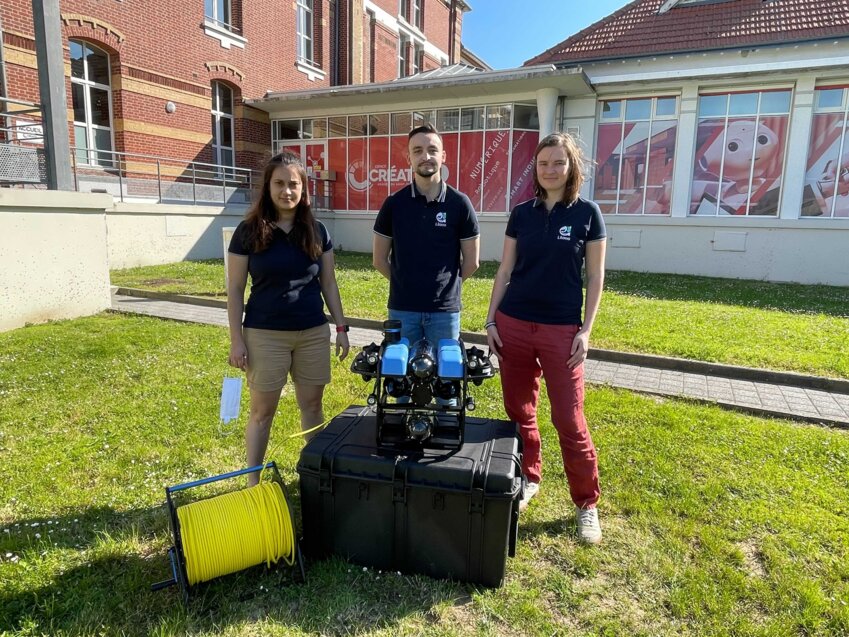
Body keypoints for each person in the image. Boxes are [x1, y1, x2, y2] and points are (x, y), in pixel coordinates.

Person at [485, 132, 607, 545]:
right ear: (535, 170)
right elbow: (505, 271)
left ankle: (586, 503)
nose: (550, 170)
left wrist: (586, 331)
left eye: (558, 162)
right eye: (543, 163)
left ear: (572, 166)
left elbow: (594, 277)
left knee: (569, 420)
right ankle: (528, 477)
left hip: (562, 332)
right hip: (514, 324)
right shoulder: (521, 213)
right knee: (519, 411)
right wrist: (490, 321)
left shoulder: (588, 214)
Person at [227, 152, 349, 486]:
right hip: (264, 334)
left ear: (303, 189)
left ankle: (315, 477)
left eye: (293, 184)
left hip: (311, 332)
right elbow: (235, 290)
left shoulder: (317, 230)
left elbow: (328, 282)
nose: (286, 191)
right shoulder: (248, 232)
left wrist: (340, 328)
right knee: (262, 413)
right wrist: (236, 339)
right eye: (279, 183)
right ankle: (253, 483)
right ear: (267, 187)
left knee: (312, 406)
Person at [372, 124, 480, 343]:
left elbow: (472, 262)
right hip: (403, 310)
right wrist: (406, 284)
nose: (426, 156)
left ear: (443, 156)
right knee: (399, 373)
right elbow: (379, 260)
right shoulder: (394, 204)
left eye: (432, 150)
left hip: (445, 312)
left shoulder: (460, 203)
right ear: (408, 158)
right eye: (418, 151)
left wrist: (445, 288)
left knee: (446, 374)